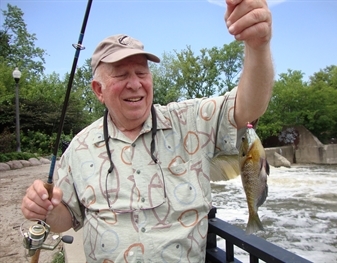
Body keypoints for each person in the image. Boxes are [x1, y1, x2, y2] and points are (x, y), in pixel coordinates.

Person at [21, 0, 274, 262]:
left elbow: (247, 107)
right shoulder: (80, 147)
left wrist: (258, 45)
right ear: (99, 90)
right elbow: (66, 218)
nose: (135, 84)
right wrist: (45, 208)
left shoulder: (191, 120)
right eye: (121, 75)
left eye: (142, 72)